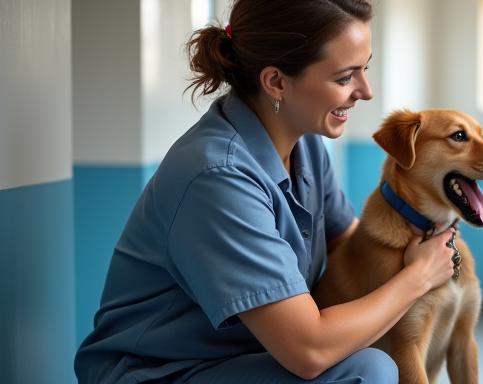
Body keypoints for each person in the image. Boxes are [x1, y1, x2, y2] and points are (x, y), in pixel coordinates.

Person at [74, 1, 458, 382]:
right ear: (276, 82)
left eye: (365, 69)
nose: (366, 91)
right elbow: (310, 350)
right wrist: (419, 276)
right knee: (367, 370)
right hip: (162, 371)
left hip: (245, 357)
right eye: (345, 77)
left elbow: (351, 245)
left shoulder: (305, 146)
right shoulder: (217, 178)